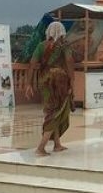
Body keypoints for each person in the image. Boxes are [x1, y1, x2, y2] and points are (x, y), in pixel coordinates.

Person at [29, 21, 74, 156]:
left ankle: (57, 144)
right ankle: (41, 147)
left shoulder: (41, 46)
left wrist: (29, 83)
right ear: (62, 32)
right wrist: (72, 80)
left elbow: (32, 64)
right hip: (59, 83)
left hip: (44, 81)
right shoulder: (64, 46)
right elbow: (70, 61)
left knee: (52, 110)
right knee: (56, 113)